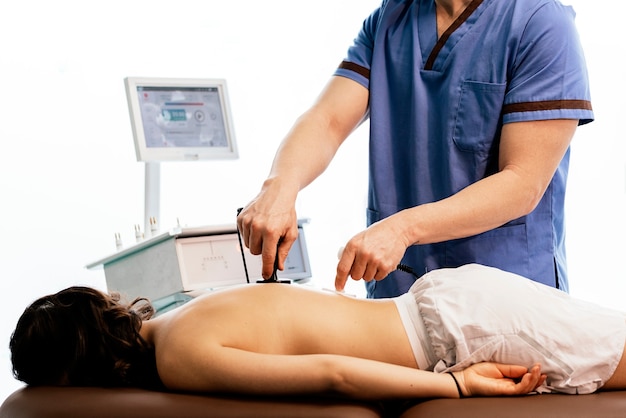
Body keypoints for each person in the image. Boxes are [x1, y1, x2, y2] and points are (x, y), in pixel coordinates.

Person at [236, 0, 594, 298]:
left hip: (504, 299)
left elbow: (522, 183)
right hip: (401, 299)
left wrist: (401, 230)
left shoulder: (541, 23)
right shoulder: (391, 19)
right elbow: (327, 120)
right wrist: (281, 185)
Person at [10, 264, 626, 399]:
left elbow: (333, 372)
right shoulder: (181, 314)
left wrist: (460, 387)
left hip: (457, 332)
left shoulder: (180, 357)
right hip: (445, 302)